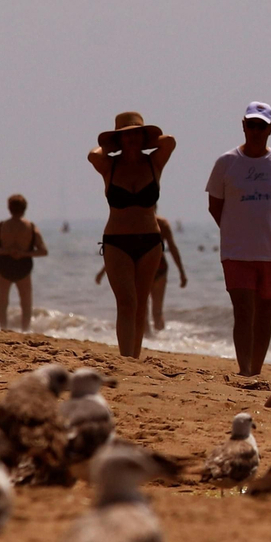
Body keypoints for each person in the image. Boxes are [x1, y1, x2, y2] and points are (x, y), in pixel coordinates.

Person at [207, 101, 271, 377]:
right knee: (243, 313)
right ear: (243, 126)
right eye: (251, 124)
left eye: (261, 125)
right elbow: (215, 205)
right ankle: (244, 369)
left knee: (264, 315)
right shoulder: (226, 163)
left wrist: (265, 228)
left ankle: (256, 370)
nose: (256, 130)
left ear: (270, 128)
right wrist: (236, 229)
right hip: (236, 251)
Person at [89, 111, 176, 358]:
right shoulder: (110, 166)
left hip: (150, 242)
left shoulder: (154, 162)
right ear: (118, 139)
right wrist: (111, 145)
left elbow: (169, 141)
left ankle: (134, 359)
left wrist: (147, 142)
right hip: (117, 242)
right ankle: (126, 358)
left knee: (140, 307)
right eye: (126, 135)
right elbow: (92, 155)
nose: (132, 138)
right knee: (126, 303)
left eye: (137, 133)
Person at [94, 216, 187, 331]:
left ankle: (148, 341)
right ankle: (157, 341)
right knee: (156, 311)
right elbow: (172, 248)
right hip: (158, 266)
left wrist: (103, 272)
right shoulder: (162, 224)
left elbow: (121, 252)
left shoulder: (135, 222)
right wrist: (181, 272)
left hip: (142, 268)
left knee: (143, 309)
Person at [0, 195, 47, 331]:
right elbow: (43, 251)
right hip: (22, 266)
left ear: (9, 208)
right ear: (25, 209)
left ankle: (3, 329)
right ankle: (25, 331)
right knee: (25, 303)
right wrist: (24, 253)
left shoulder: (2, 226)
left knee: (3, 302)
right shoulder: (30, 227)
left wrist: (7, 251)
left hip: (4, 265)